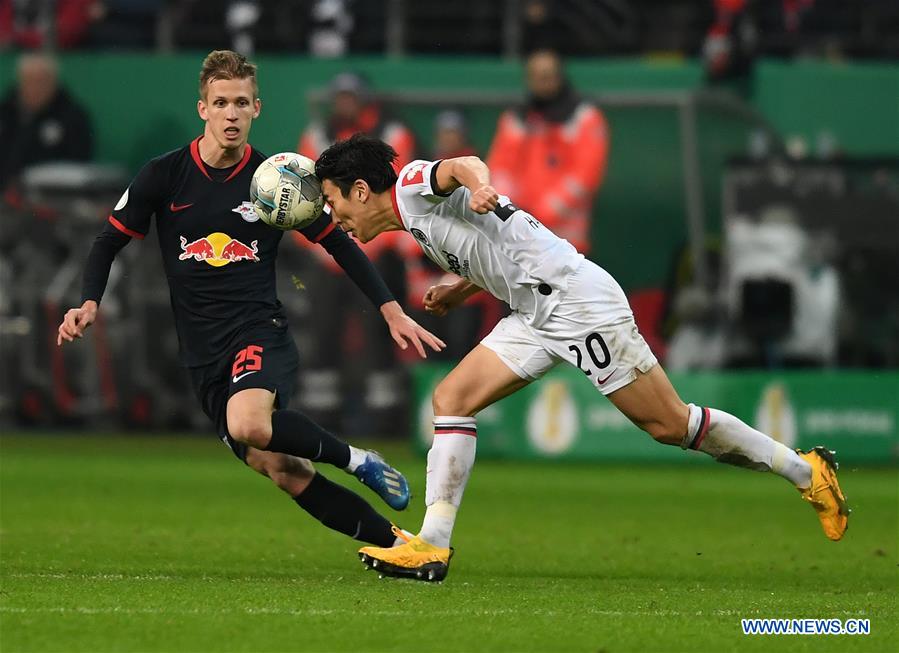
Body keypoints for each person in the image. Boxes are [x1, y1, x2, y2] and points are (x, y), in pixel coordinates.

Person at [313, 135, 850, 582]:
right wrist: (460, 289)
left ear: (361, 189)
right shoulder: (413, 220)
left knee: (670, 425)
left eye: (334, 202)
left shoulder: (410, 186)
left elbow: (462, 165)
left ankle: (806, 471)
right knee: (451, 399)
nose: (334, 216)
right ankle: (432, 544)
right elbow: (499, 247)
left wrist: (480, 186)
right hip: (532, 312)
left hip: (576, 302)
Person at [56, 51, 446, 552]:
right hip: (202, 354)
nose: (232, 113)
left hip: (257, 329)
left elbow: (338, 242)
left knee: (250, 424)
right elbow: (108, 240)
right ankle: (400, 547)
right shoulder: (164, 175)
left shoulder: (277, 183)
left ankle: (357, 460)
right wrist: (89, 302)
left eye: (242, 102)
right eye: (221, 102)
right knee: (280, 468)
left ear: (257, 108)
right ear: (203, 109)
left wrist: (390, 308)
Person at [294, 71, 419, 434]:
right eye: (340, 96)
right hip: (326, 253)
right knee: (322, 336)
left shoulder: (392, 135)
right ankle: (322, 417)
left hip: (377, 252)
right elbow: (302, 197)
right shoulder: (316, 135)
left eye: (351, 96)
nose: (345, 103)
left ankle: (387, 417)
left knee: (381, 338)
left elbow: (396, 194)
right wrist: (323, 246)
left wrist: (368, 245)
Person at [486, 49, 608, 253]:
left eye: (548, 76)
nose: (543, 82)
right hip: (519, 232)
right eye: (536, 76)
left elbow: (586, 174)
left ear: (560, 76)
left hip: (566, 235)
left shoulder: (584, 117)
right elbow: (499, 168)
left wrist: (546, 210)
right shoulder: (517, 118)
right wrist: (510, 209)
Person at [0, 52, 94, 190]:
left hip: (51, 198)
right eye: (29, 81)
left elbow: (78, 164)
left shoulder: (72, 118)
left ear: (54, 82)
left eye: (41, 81)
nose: (35, 89)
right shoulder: (5, 114)